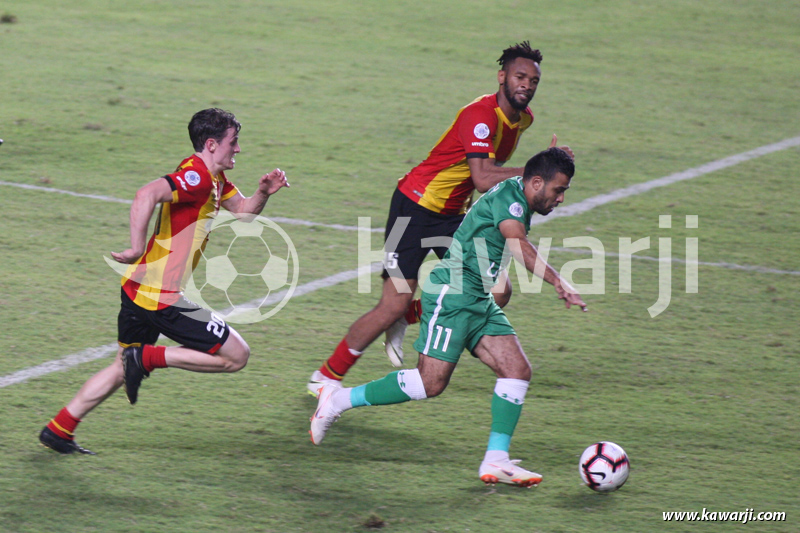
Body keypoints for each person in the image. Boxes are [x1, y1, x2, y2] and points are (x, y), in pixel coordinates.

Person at [307, 41, 574, 395]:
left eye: (533, 81)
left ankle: (413, 317)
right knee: (392, 303)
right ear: (501, 77)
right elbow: (482, 178)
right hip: (414, 207)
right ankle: (326, 377)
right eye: (519, 76)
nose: (526, 85)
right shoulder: (479, 115)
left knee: (500, 288)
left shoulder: (522, 119)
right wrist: (535, 170)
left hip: (451, 215)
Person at [310, 147, 585, 487]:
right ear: (538, 182)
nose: (560, 199)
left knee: (516, 370)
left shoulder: (520, 191)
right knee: (430, 383)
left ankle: (496, 460)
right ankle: (337, 400)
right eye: (558, 190)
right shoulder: (512, 203)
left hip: (478, 299)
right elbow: (517, 243)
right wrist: (559, 281)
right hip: (453, 296)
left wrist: (555, 154)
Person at [39, 108, 290, 454]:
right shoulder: (196, 177)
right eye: (234, 142)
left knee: (120, 366)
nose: (239, 149)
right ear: (213, 144)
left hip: (138, 292)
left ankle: (59, 429)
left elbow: (244, 213)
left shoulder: (214, 179)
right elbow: (146, 194)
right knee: (236, 355)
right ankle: (148, 359)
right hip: (162, 297)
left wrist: (264, 192)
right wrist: (136, 246)